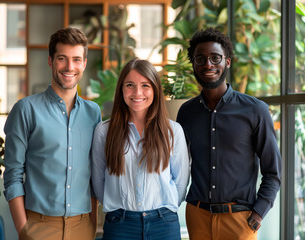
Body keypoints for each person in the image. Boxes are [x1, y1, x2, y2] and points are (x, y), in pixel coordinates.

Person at [177, 27, 282, 240]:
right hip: (197, 217)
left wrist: (259, 213)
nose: (208, 64)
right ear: (194, 65)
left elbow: (273, 172)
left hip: (240, 220)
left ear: (227, 62)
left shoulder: (255, 110)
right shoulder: (186, 113)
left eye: (215, 58)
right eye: (201, 59)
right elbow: (177, 165)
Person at [3, 27, 101, 240]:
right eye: (62, 58)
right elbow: (12, 174)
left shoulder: (93, 113)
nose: (69, 67)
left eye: (76, 59)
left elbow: (94, 173)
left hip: (83, 228)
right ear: (51, 61)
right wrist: (24, 230)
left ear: (84, 63)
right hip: (39, 227)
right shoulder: (26, 109)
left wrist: (92, 224)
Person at [91, 58, 190, 240]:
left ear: (155, 90)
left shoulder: (173, 131)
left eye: (145, 85)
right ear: (121, 89)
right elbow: (98, 180)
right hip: (120, 226)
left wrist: (164, 209)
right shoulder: (104, 131)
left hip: (163, 225)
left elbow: (181, 181)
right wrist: (118, 209)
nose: (137, 92)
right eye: (130, 85)